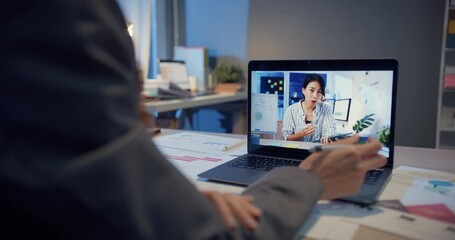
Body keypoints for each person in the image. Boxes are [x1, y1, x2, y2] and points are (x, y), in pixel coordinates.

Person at [0, 1, 386, 239]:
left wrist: (177, 202)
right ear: (303, 92)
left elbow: (332, 136)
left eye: (321, 91)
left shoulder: (328, 113)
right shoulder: (55, 17)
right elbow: (283, 136)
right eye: (313, 90)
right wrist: (311, 177)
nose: (317, 95)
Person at [282, 74, 336, 144]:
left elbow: (330, 130)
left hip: (317, 152)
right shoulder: (291, 110)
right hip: (296, 152)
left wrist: (328, 138)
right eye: (311, 90)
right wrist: (301, 134)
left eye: (319, 92)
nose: (315, 96)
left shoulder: (326, 108)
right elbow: (286, 138)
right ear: (303, 90)